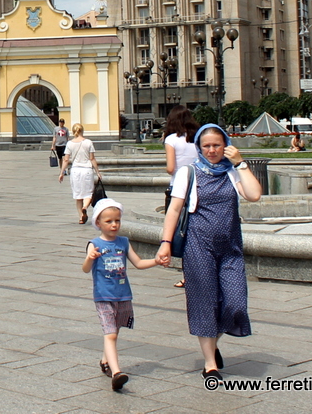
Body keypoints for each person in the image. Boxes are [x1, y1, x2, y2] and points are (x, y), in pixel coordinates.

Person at [155, 124, 263, 382]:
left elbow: (255, 195)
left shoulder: (230, 172)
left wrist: (240, 164)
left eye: (217, 145)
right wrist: (165, 242)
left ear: (225, 145)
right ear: (199, 148)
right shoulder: (188, 173)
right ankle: (210, 363)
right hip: (198, 246)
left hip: (230, 247)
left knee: (236, 303)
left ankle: (212, 343)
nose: (213, 150)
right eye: (207, 146)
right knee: (204, 303)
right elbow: (174, 210)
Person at [82, 199, 158, 391]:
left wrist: (157, 260)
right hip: (103, 296)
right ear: (98, 223)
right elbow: (85, 269)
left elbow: (138, 263)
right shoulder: (95, 244)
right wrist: (90, 258)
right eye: (109, 221)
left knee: (115, 330)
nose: (114, 225)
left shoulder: (123, 242)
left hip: (123, 295)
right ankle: (116, 373)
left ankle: (105, 361)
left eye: (117, 220)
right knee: (111, 334)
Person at [163, 105, 199, 287]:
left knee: (182, 231)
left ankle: (187, 275)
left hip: (179, 188)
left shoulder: (171, 140)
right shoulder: (197, 138)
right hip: (199, 186)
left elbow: (170, 168)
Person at [58, 123, 101, 224]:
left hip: (75, 171)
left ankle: (81, 218)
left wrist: (61, 173)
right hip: (87, 171)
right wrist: (98, 172)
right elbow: (92, 159)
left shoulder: (69, 144)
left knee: (78, 195)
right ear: (82, 131)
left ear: (73, 131)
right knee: (88, 193)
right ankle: (85, 207)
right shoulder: (88, 142)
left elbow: (66, 160)